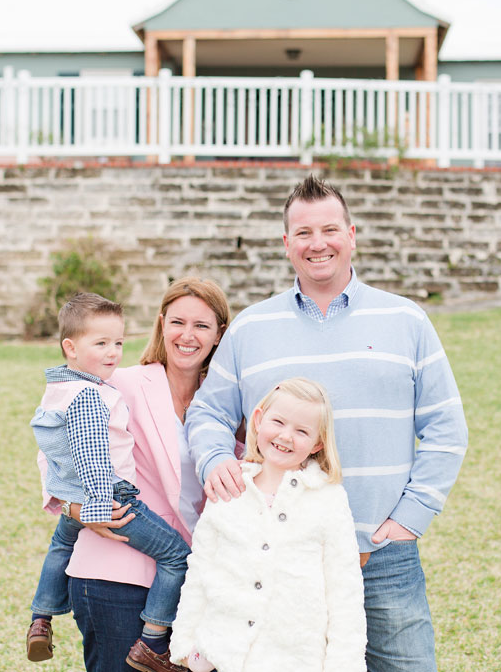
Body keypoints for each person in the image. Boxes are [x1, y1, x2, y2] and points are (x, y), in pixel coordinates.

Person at [186, 174, 469, 672]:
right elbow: (208, 411)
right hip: (275, 557)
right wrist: (213, 458)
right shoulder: (252, 328)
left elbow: (447, 428)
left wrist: (409, 520)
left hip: (380, 555)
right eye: (303, 233)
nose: (318, 244)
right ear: (287, 244)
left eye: (330, 230)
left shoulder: (406, 321)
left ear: (352, 234)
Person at [37, 278, 234, 672]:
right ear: (162, 324)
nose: (187, 335)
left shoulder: (226, 400)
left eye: (202, 326)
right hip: (113, 567)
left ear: (219, 335)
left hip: (193, 577)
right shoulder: (120, 382)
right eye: (178, 322)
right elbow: (55, 448)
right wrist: (76, 509)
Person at [169, 378, 366, 672]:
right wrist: (185, 646)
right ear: (259, 420)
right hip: (222, 659)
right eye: (279, 422)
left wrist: (343, 666)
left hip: (295, 660)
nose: (286, 436)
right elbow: (200, 571)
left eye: (302, 431)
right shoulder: (229, 488)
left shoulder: (328, 498)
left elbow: (344, 592)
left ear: (318, 443)